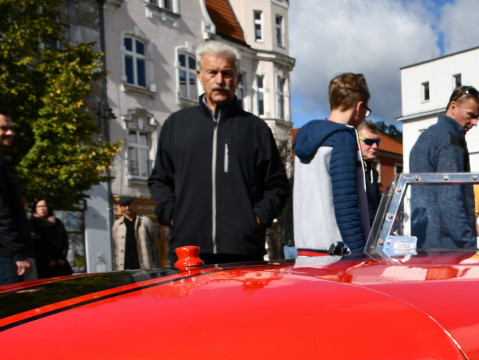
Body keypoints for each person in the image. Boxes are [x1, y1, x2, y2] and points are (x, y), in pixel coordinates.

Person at [148, 41, 289, 264]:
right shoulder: (177, 125)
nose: (219, 81)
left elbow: (278, 184)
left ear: (238, 79)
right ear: (200, 75)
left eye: (227, 73)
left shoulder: (255, 129)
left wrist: (255, 219)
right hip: (188, 252)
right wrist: (172, 215)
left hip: (243, 251)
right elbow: (159, 180)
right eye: (212, 73)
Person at [293, 73, 371, 255]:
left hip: (306, 247)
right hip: (337, 252)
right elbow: (346, 202)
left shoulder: (305, 138)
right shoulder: (342, 139)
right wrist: (359, 252)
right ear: (359, 107)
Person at [408, 85, 479, 248]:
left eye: (477, 117)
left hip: (425, 239)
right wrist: (467, 240)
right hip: (448, 245)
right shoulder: (450, 141)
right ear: (453, 107)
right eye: (471, 115)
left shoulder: (427, 136)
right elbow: (450, 197)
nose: (475, 123)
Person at [0, 110, 32, 285]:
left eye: (11, 128)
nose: (10, 133)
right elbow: (2, 213)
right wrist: (18, 253)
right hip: (5, 255)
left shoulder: (3, 161)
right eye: (3, 128)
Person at [112, 196, 158, 270]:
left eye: (129, 205)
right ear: (121, 208)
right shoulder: (118, 224)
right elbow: (116, 243)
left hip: (143, 265)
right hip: (124, 266)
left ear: (133, 205)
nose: (127, 208)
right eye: (124, 206)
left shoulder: (145, 221)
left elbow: (153, 239)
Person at [28, 198, 71, 278]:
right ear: (35, 209)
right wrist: (48, 259)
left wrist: (62, 257)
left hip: (60, 262)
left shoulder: (57, 222)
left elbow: (65, 240)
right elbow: (36, 244)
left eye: (44, 206)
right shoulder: (32, 223)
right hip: (43, 264)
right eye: (39, 206)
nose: (42, 209)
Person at [357, 119, 383, 220]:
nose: (375, 146)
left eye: (377, 141)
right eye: (369, 142)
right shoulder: (351, 169)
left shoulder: (372, 170)